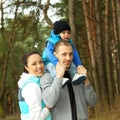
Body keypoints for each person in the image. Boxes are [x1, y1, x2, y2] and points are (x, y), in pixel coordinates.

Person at [41, 41, 97, 120]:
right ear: (55, 55)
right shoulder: (47, 76)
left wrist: (86, 81)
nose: (68, 58)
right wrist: (58, 77)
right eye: (64, 54)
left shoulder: (77, 75)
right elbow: (49, 102)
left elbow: (92, 102)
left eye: (70, 54)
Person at [42, 20, 86, 86]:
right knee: (52, 67)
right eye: (63, 32)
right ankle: (59, 78)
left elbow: (75, 53)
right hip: (49, 61)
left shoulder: (69, 42)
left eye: (68, 33)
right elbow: (49, 54)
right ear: (57, 33)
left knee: (72, 65)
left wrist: (79, 64)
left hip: (61, 60)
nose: (66, 35)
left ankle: (75, 76)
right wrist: (56, 63)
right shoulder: (51, 41)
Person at [18, 51, 51, 120]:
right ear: (26, 67)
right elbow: (36, 118)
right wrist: (48, 107)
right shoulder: (32, 86)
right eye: (34, 64)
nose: (39, 66)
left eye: (41, 62)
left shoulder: (28, 82)